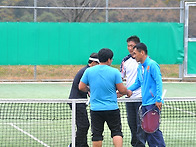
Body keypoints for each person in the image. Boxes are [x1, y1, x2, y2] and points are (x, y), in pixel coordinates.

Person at [79, 48, 132, 147]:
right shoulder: (115, 72)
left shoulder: (89, 71)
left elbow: (81, 87)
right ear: (108, 59)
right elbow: (121, 89)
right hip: (112, 108)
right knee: (116, 132)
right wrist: (127, 92)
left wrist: (91, 90)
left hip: (95, 109)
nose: (111, 61)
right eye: (111, 59)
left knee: (97, 135)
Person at [128, 43, 165, 147]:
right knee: (148, 130)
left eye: (135, 53)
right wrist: (125, 91)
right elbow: (137, 83)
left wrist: (158, 99)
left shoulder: (152, 65)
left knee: (153, 131)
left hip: (153, 103)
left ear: (142, 52)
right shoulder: (140, 67)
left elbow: (158, 82)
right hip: (145, 104)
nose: (133, 56)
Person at [68, 53, 99, 147]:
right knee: (84, 125)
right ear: (93, 63)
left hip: (80, 102)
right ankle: (74, 145)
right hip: (76, 102)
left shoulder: (87, 70)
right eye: (98, 63)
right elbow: (82, 87)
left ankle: (82, 145)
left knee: (83, 125)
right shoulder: (87, 71)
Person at [119, 36, 146, 147]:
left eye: (132, 46)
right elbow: (120, 78)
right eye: (128, 46)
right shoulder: (125, 61)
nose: (129, 48)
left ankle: (140, 145)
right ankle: (135, 144)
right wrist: (122, 91)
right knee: (132, 123)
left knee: (141, 124)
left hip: (141, 98)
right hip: (129, 98)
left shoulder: (143, 61)